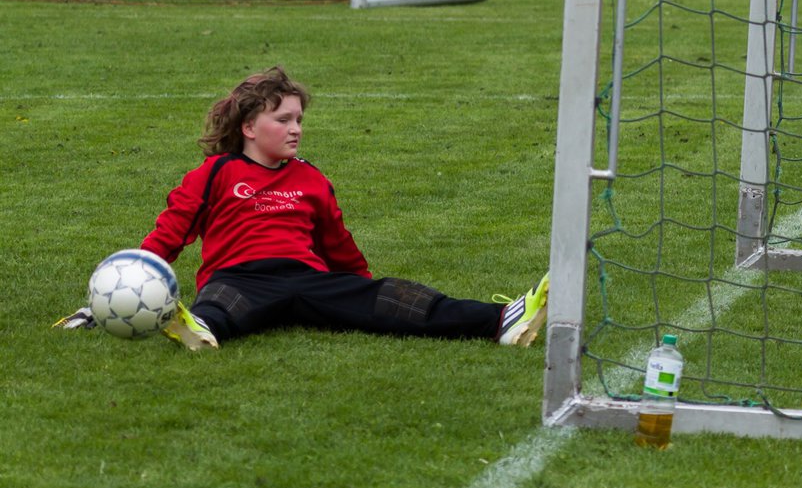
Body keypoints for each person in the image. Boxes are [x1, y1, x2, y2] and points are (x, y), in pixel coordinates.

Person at [55, 66, 549, 351]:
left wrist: (361, 285)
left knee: (398, 298)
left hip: (308, 279)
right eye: (283, 119)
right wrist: (110, 300)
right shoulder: (214, 173)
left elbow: (338, 244)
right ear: (249, 127)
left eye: (299, 119)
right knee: (219, 308)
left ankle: (501, 321)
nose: (296, 128)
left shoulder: (311, 179)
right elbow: (169, 235)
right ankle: (197, 329)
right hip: (240, 276)